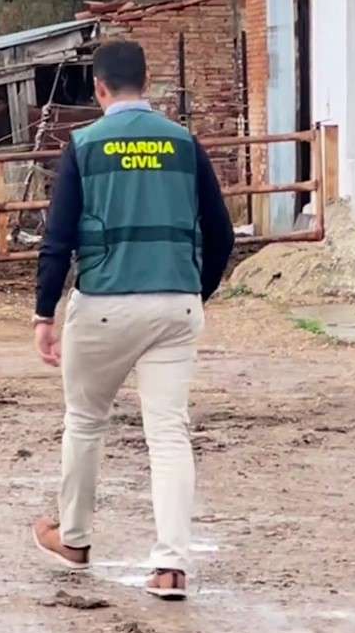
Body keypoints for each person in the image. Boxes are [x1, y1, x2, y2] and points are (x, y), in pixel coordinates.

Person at [30, 40, 235, 601]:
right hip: (175, 304)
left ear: (99, 88)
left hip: (104, 307)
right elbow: (221, 235)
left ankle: (73, 539)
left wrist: (44, 312)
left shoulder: (84, 146)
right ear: (148, 85)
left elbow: (58, 241)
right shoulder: (185, 145)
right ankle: (171, 567)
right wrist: (196, 292)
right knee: (169, 433)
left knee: (85, 420)